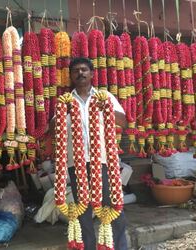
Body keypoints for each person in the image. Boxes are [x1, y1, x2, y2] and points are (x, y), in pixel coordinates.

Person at [49, 57, 128, 250]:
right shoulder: (65, 102)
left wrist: (106, 109)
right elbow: (52, 130)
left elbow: (123, 122)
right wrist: (63, 113)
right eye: (76, 70)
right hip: (76, 163)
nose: (80, 73)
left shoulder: (104, 97)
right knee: (82, 209)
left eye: (84, 69)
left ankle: (119, 247)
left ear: (92, 74)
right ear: (71, 77)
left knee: (112, 205)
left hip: (102, 160)